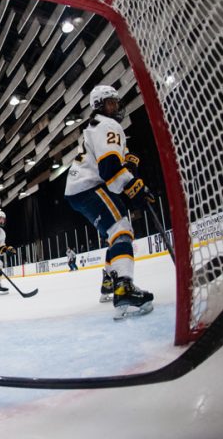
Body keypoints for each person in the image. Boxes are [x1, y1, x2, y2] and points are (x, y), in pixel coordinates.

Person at [64, 84, 155, 320]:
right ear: (99, 106)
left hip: (80, 188)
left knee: (114, 234)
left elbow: (111, 166)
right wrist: (133, 185)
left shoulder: (95, 126)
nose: (116, 107)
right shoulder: (107, 125)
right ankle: (124, 286)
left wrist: (128, 169)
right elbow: (109, 169)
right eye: (110, 103)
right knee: (122, 229)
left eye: (116, 102)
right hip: (89, 186)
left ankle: (109, 280)